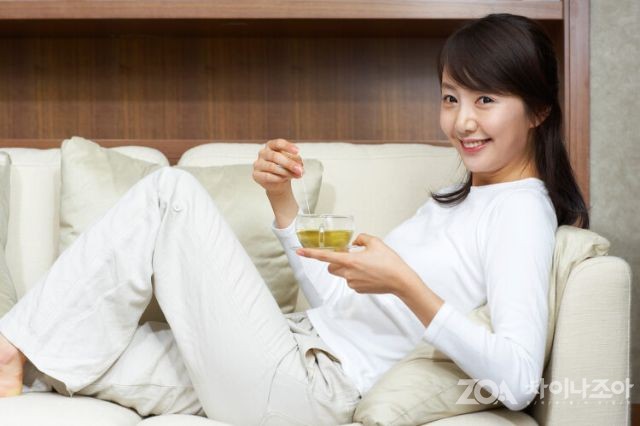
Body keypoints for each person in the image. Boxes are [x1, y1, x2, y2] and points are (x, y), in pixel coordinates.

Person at [0, 13, 588, 425]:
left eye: (486, 100)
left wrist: (406, 285)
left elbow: (517, 381)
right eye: (450, 97)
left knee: (168, 193)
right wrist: (282, 199)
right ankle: (15, 355)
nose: (462, 122)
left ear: (538, 110)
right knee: (75, 350)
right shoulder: (460, 198)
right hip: (290, 345)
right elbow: (336, 304)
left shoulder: (521, 213)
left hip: (311, 388)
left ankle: (8, 345)